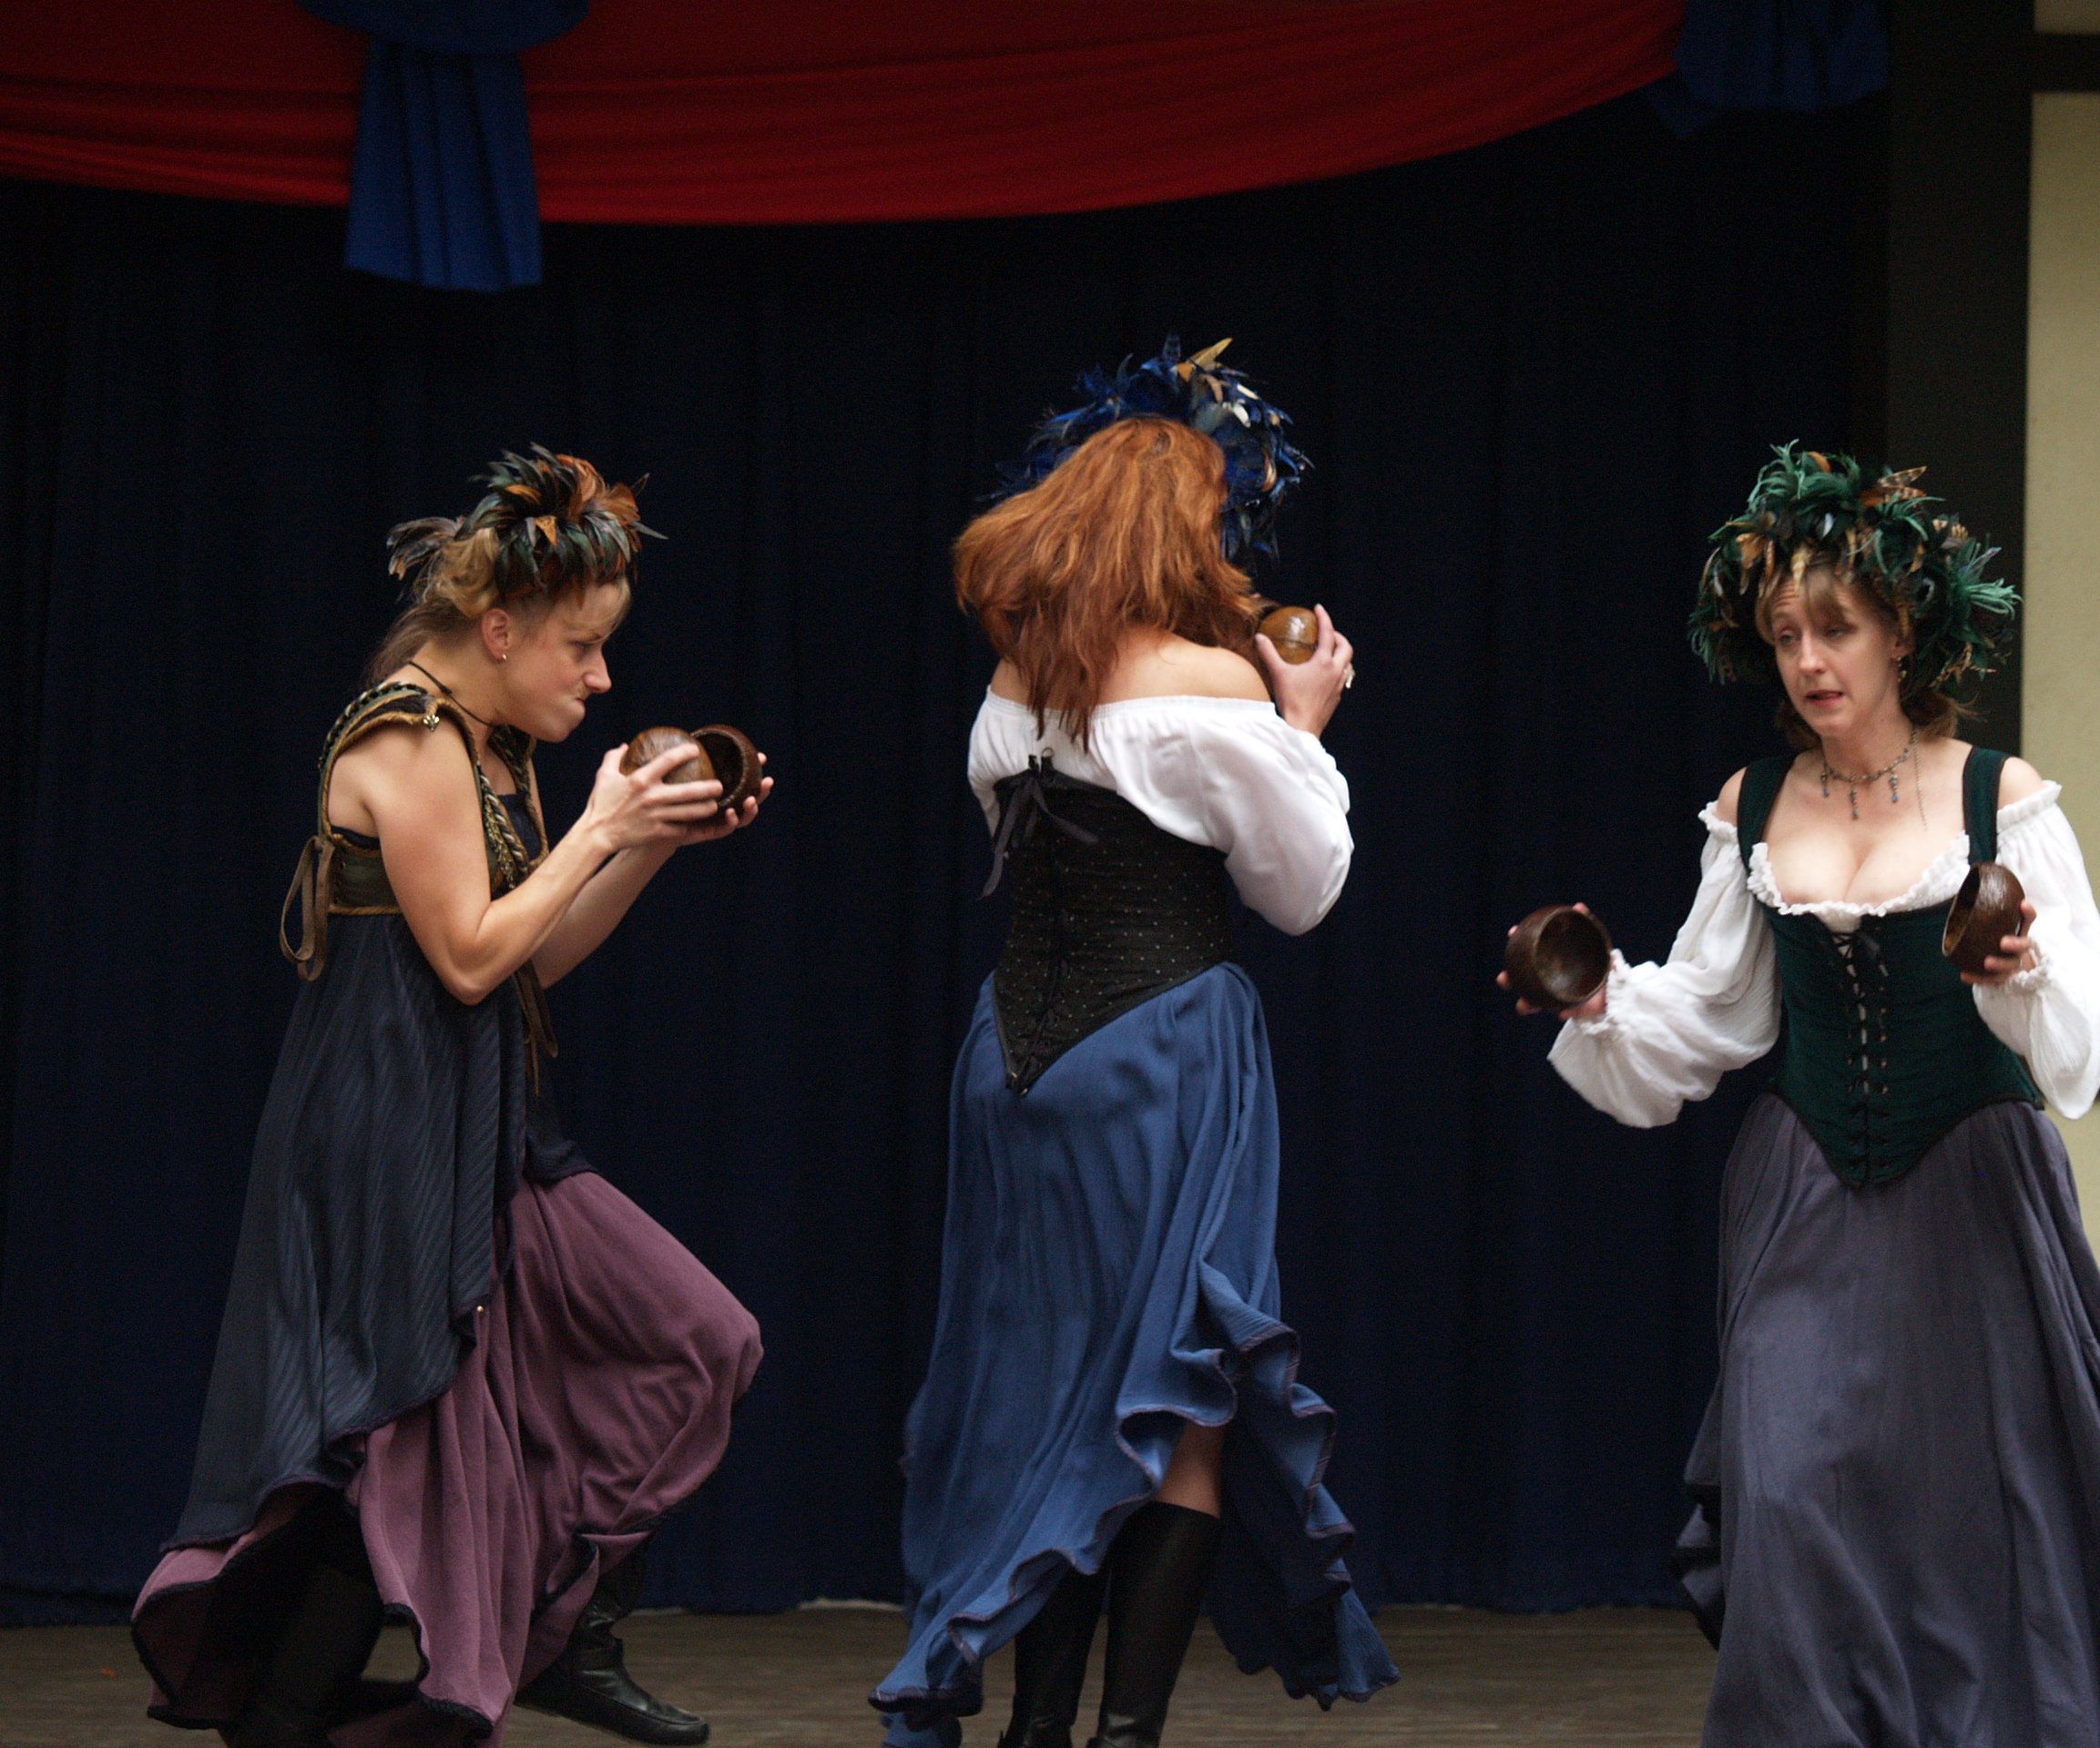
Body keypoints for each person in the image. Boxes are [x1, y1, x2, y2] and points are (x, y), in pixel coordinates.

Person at [1511, 448, 2100, 1747]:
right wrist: (1603, 1002)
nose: (1809, 659)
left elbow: (2077, 1043)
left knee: (1977, 1516)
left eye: (1835, 628)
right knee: (1790, 1491)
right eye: (1786, 635)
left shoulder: (2004, 800)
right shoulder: (1754, 806)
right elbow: (1718, 1011)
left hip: (1977, 1195)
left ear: (1903, 632)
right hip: (1807, 1190)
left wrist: (2020, 968)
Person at [132, 449, 769, 1748]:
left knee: (698, 1336)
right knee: (391, 1452)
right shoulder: (409, 735)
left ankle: (567, 1637)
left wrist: (645, 845)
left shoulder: (493, 742)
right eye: (582, 648)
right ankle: (296, 1721)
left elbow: (531, 956)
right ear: (500, 628)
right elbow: (472, 957)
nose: (600, 678)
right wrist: (597, 831)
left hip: (484, 1129)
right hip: (383, 1143)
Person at [872, 341, 1398, 1748]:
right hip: (1162, 1058)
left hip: (1014, 1064)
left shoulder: (1013, 686)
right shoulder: (1208, 689)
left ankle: (1038, 1730)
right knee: (1179, 1405)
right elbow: (1304, 890)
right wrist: (1305, 726)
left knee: (1054, 1401)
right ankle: (1122, 1738)